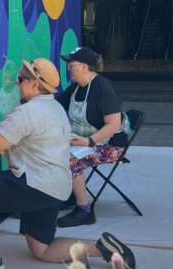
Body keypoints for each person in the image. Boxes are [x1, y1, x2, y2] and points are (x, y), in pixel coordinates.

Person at [0, 58, 136, 269]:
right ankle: (103, 248)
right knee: (43, 250)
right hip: (57, 187)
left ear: (34, 85)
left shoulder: (27, 112)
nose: (15, 84)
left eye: (20, 80)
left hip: (35, 184)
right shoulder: (55, 107)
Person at [55, 47, 128, 228]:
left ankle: (84, 210)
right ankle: (72, 195)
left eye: (70, 65)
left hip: (111, 146)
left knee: (71, 159)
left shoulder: (104, 89)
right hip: (85, 141)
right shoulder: (75, 87)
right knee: (53, 151)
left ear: (84, 67)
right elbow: (55, 105)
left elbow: (114, 125)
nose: (67, 69)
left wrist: (89, 141)